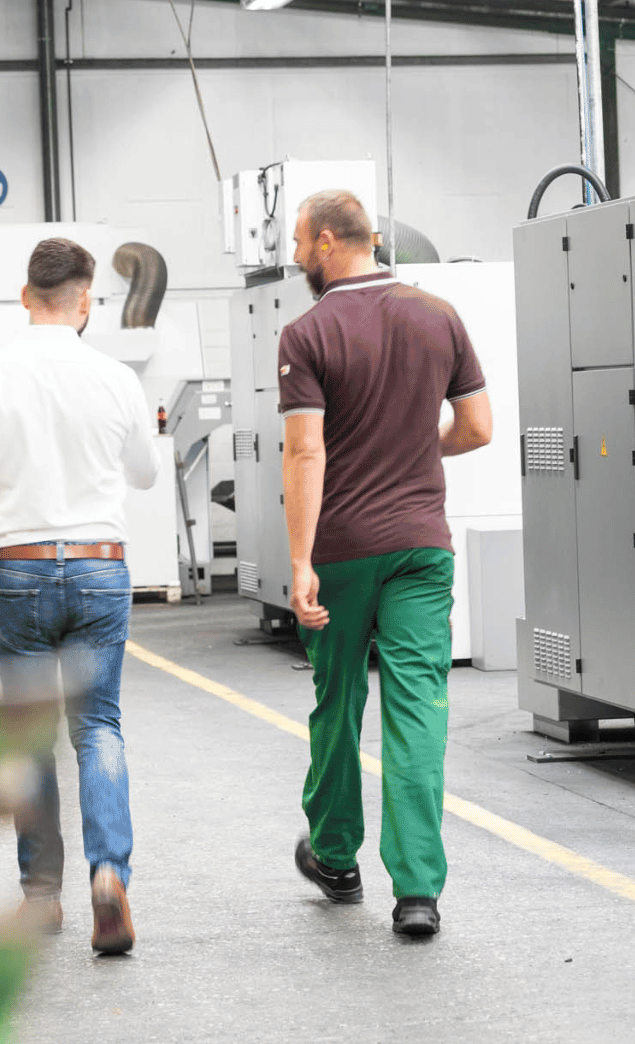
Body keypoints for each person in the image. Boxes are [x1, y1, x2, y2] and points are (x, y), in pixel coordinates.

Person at [278, 190, 494, 937]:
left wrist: (300, 560)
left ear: (332, 242)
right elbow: (477, 428)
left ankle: (336, 856)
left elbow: (306, 450)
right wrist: (410, 447)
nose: (299, 255)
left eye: (303, 243)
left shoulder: (306, 333)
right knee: (417, 710)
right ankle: (417, 893)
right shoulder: (439, 316)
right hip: (421, 549)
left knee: (338, 705)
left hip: (341, 548)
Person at [0, 236, 160, 955]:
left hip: (20, 568)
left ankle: (40, 894)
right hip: (99, 567)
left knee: (30, 731)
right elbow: (147, 474)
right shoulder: (116, 377)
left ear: (25, 297)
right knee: (97, 724)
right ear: (86, 301)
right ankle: (108, 874)